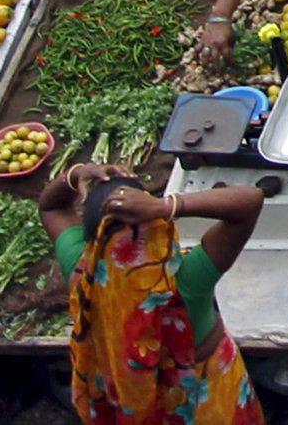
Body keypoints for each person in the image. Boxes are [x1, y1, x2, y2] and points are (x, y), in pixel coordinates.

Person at [42, 161, 266, 425]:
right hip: (204, 403)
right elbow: (251, 201)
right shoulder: (183, 280)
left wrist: (75, 174)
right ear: (156, 222)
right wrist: (167, 205)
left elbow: (51, 207)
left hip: (135, 409)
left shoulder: (83, 272)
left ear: (91, 236)